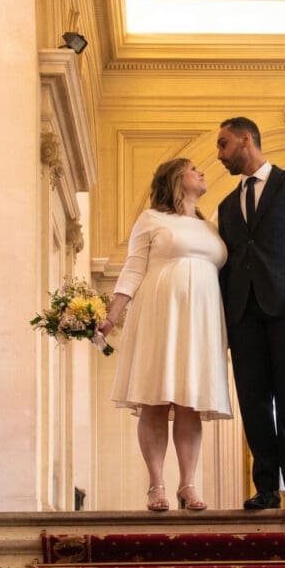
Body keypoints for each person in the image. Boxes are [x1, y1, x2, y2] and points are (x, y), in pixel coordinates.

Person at [98, 157, 232, 512]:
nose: (201, 172)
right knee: (155, 399)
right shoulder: (151, 219)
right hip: (160, 315)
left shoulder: (211, 227)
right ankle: (156, 485)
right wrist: (111, 316)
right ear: (174, 179)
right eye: (193, 169)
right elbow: (133, 269)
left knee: (190, 401)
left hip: (201, 321)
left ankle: (188, 485)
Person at [215, 117, 285, 511]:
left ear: (246, 139)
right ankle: (265, 487)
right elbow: (227, 263)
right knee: (253, 399)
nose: (220, 154)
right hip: (243, 313)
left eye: (224, 144)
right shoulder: (226, 206)